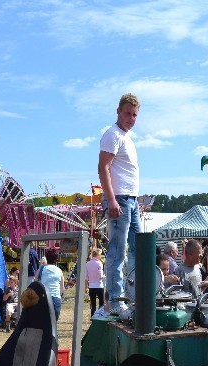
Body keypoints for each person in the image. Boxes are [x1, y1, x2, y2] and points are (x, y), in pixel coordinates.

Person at [98, 93, 141, 314]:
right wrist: (112, 199)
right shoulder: (112, 135)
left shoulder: (128, 138)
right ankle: (115, 300)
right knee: (117, 250)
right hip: (120, 199)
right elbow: (103, 168)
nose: (131, 118)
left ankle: (132, 296)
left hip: (131, 200)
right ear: (118, 112)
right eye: (127, 113)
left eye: (134, 115)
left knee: (137, 249)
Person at [37, 248, 65, 320]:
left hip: (44, 297)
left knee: (43, 323)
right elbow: (62, 289)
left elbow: (35, 279)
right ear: (56, 259)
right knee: (53, 324)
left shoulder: (42, 268)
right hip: (55, 298)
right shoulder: (59, 270)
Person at [85, 249, 105, 316]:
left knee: (93, 303)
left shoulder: (87, 264)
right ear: (98, 255)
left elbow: (86, 277)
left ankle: (92, 315)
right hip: (99, 285)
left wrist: (86, 287)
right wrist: (104, 276)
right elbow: (100, 275)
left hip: (91, 285)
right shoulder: (99, 263)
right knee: (101, 303)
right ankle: (100, 315)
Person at [2, 267, 20, 332]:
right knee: (8, 311)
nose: (10, 284)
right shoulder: (8, 289)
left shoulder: (18, 288)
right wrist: (8, 295)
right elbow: (4, 299)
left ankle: (19, 325)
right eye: (10, 282)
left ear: (15, 283)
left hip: (17, 303)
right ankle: (7, 326)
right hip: (10, 303)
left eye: (12, 282)